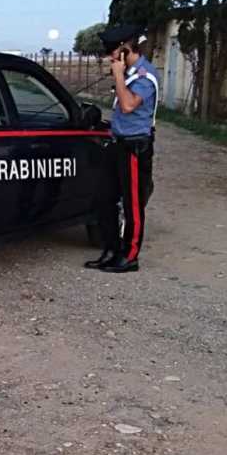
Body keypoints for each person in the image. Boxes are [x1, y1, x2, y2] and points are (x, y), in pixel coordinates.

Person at [85, 24, 157, 273]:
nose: (110, 57)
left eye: (113, 52)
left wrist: (117, 75)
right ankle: (111, 249)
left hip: (135, 148)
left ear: (126, 49)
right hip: (117, 144)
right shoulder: (128, 74)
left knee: (132, 204)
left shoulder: (144, 77)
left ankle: (130, 256)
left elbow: (127, 106)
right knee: (103, 198)